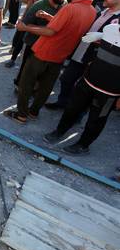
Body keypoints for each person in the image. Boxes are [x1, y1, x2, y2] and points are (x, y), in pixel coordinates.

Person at [6, 0, 97, 123]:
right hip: (61, 55)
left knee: (26, 82)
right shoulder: (92, 11)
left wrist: (26, 28)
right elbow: (67, 26)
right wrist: (49, 17)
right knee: (46, 87)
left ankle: (21, 114)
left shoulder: (69, 8)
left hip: (44, 51)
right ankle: (34, 112)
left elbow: (50, 32)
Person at [43, 23, 120, 155]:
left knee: (96, 120)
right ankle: (60, 131)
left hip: (108, 93)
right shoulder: (110, 28)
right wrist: (101, 35)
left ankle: (83, 145)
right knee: (72, 108)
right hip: (87, 82)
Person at [45, 0, 120, 110]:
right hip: (81, 53)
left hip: (95, 61)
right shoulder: (102, 11)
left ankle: (76, 113)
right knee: (66, 79)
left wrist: (101, 36)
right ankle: (63, 102)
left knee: (84, 92)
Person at [11, 0, 69, 87]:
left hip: (50, 46)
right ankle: (19, 85)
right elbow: (25, 24)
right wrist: (44, 29)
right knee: (26, 68)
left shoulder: (64, 5)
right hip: (33, 43)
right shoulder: (38, 5)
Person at [5, 0, 59, 68]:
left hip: (44, 21)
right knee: (21, 38)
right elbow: (30, 2)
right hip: (31, 17)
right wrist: (24, 16)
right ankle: (13, 58)